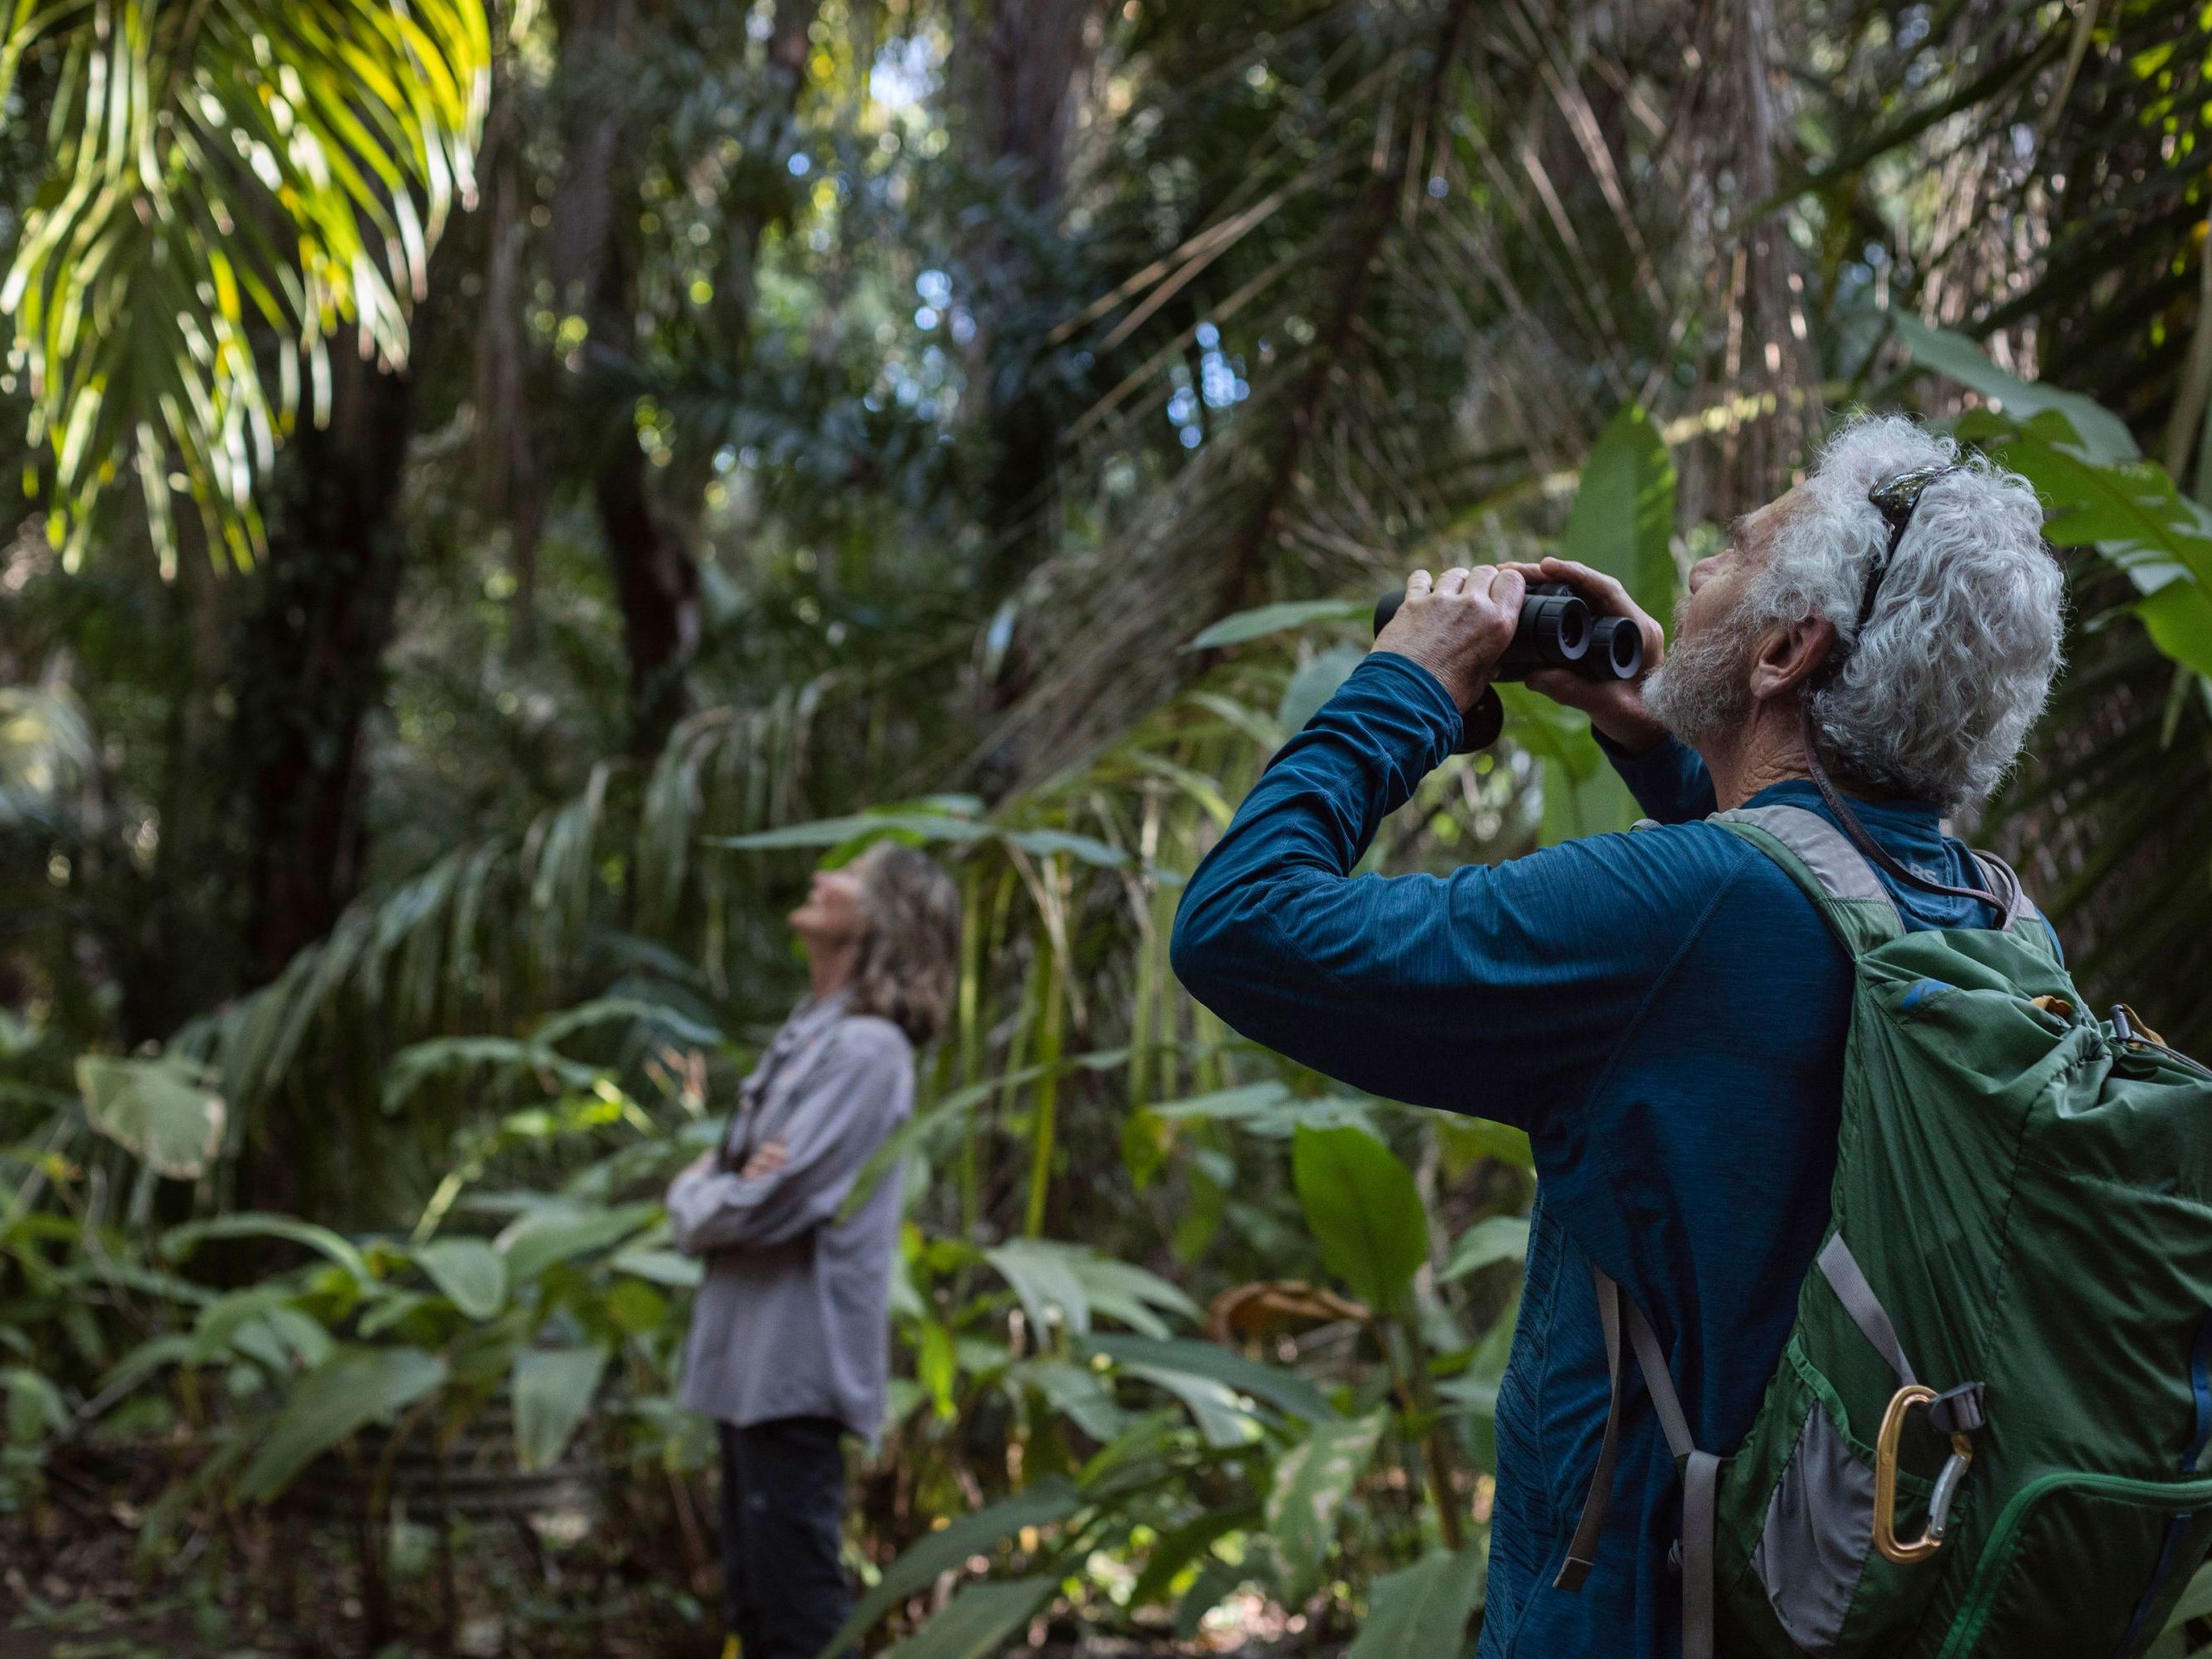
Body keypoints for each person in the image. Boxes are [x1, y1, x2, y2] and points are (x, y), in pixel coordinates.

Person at [1169, 413, 2064, 1659]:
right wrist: (1661, 720)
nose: (1694, 567)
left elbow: (1239, 923)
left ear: (1785, 651)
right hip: (1866, 1592)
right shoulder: (2000, 922)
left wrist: (1404, 686)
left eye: (1735, 549)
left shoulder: (1679, 915)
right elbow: (1805, 894)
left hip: (1636, 1615)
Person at [667, 844, 960, 1659]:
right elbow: (737, 1174)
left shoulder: (868, 1051)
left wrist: (697, 1197)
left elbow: (770, 1199)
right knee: (758, 1612)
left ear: (880, 919)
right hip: (748, 1365)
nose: (823, 878)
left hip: (794, 1367)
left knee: (799, 1619)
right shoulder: (812, 1031)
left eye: (851, 876)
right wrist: (723, 1183)